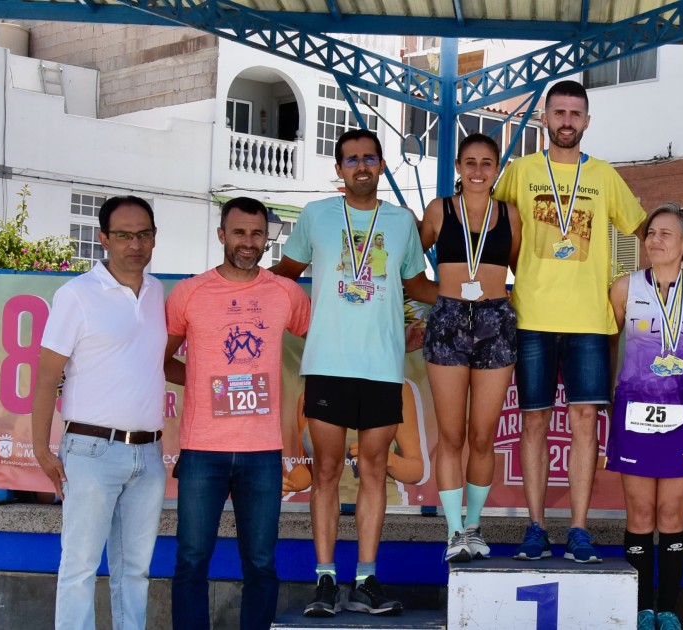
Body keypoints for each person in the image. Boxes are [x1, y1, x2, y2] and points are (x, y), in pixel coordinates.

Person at [270, 128, 435, 617]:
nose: (361, 166)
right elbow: (285, 275)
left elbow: (417, 285)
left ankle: (365, 580)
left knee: (374, 471)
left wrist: (471, 293)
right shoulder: (317, 215)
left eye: (369, 158)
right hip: (327, 365)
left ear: (381, 164)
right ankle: (325, 579)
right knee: (325, 471)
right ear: (339, 168)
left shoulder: (401, 221)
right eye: (351, 159)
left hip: (382, 368)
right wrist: (236, 290)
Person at [492, 79, 647, 563]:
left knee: (584, 422)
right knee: (533, 421)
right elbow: (491, 227)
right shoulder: (520, 171)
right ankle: (536, 527)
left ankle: (579, 527)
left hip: (589, 318)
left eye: (574, 114)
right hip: (532, 314)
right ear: (544, 118)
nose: (566, 121)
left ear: (587, 121)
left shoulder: (604, 175)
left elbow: (641, 228)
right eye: (558, 112)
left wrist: (647, 282)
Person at [164, 197, 311, 629]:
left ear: (267, 239)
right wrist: (202, 382)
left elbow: (322, 341)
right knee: (192, 560)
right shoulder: (189, 293)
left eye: (257, 233)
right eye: (239, 232)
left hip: (262, 451)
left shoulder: (286, 293)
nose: (248, 242)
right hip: (202, 450)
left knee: (261, 563)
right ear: (221, 235)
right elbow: (162, 359)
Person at [30, 196, 167, 630]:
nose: (135, 244)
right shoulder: (76, 295)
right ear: (103, 239)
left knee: (135, 571)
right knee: (80, 568)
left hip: (148, 454)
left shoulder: (156, 292)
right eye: (124, 235)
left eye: (143, 234)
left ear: (154, 238)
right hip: (91, 451)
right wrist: (40, 449)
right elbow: (46, 374)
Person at [607, 205, 683, 630]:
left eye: (665, 234)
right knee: (639, 514)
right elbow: (609, 342)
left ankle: (667, 610)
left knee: (671, 515)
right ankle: (640, 609)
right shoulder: (625, 287)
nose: (654, 240)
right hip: (634, 409)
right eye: (651, 232)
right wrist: (608, 394)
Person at [419, 132, 522, 562]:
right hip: (448, 322)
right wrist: (439, 300)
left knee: (482, 436)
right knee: (451, 435)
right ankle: (453, 532)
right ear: (458, 167)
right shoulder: (439, 210)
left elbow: (523, 270)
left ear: (497, 169)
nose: (478, 170)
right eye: (470, 162)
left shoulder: (510, 214)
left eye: (487, 163)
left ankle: (475, 527)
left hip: (495, 323)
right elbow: (408, 263)